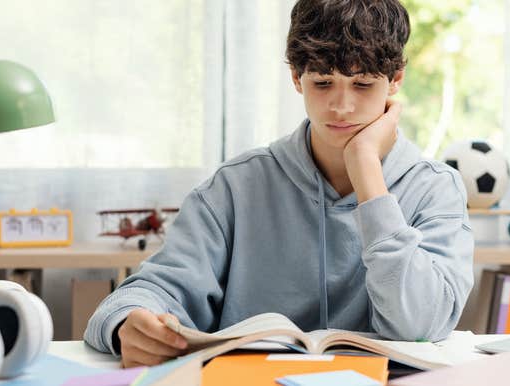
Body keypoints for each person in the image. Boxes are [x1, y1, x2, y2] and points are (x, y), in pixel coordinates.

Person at [85, 0, 474, 368]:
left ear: (395, 81)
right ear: (296, 78)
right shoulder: (234, 187)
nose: (341, 107)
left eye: (362, 84)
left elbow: (420, 326)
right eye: (323, 83)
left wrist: (367, 172)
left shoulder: (436, 189)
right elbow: (147, 292)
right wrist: (126, 324)